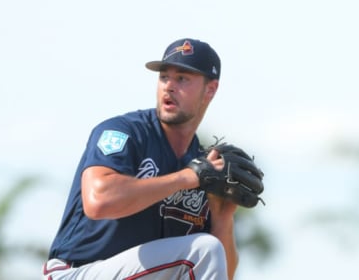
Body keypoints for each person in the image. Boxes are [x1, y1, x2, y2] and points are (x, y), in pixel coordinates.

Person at [43, 38, 239, 280]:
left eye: (182, 78)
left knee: (209, 249)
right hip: (78, 272)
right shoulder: (125, 132)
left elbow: (222, 273)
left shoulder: (202, 166)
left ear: (210, 89)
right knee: (204, 249)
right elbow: (99, 200)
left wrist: (223, 217)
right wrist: (186, 178)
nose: (168, 86)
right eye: (164, 76)